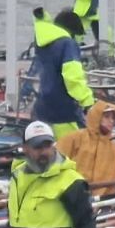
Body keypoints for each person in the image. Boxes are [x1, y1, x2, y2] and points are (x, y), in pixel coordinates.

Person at [29, 8, 96, 139]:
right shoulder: (67, 44)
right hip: (64, 112)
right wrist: (88, 101)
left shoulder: (44, 43)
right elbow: (72, 77)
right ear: (72, 31)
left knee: (48, 152)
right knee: (72, 154)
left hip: (42, 109)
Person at [57, 100, 115, 197]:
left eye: (113, 118)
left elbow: (112, 183)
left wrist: (108, 202)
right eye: (107, 116)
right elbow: (56, 164)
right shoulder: (75, 138)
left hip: (98, 200)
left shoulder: (114, 150)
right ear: (96, 116)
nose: (111, 121)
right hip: (70, 194)